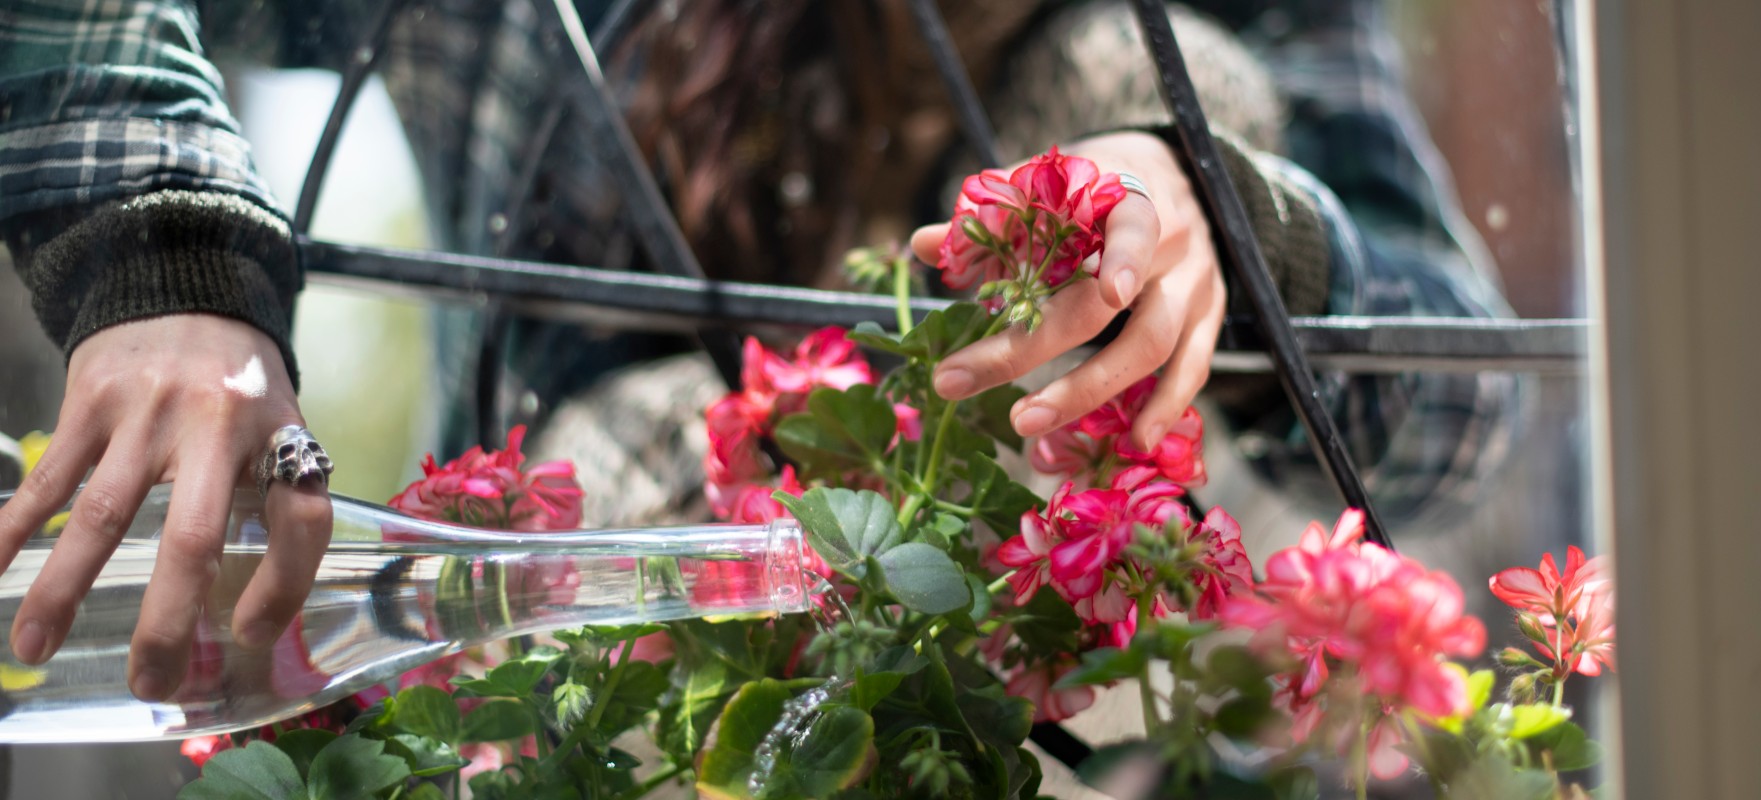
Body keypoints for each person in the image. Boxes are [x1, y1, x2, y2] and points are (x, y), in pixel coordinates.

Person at [0, 0, 1515, 705]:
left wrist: (1231, 221)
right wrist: (160, 249)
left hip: (1112, 741)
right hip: (570, 707)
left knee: (1157, 83)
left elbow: (1464, 400)